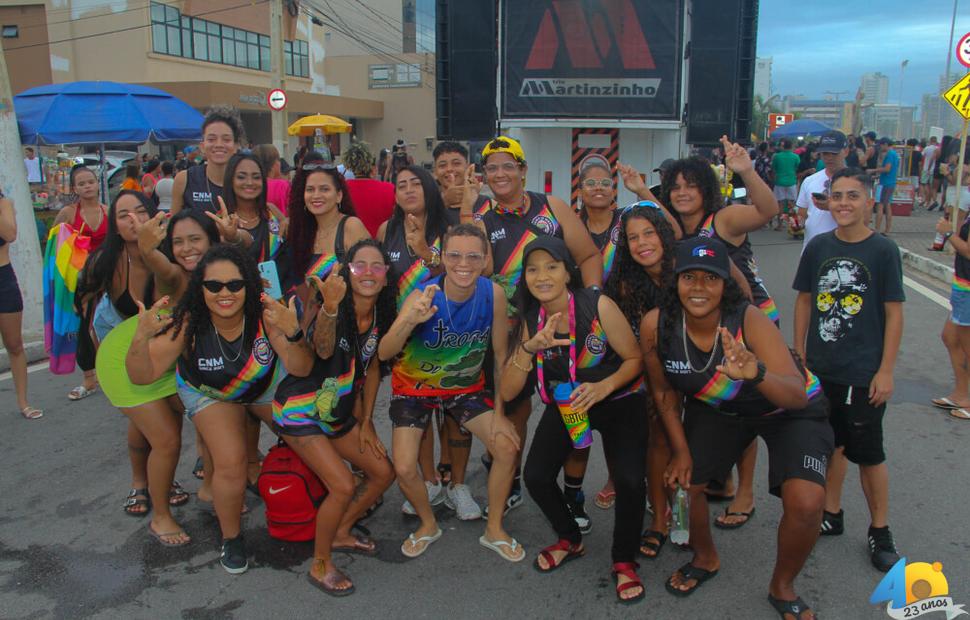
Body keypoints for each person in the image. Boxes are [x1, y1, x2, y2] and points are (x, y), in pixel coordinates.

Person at [643, 236, 832, 619]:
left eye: (710, 279)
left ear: (724, 284)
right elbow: (664, 395)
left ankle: (782, 586)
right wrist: (679, 451)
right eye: (689, 277)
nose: (698, 288)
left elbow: (795, 394)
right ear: (674, 280)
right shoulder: (656, 325)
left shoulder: (746, 318)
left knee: (807, 503)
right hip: (723, 411)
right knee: (683, 483)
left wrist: (756, 372)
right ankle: (706, 557)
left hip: (788, 410)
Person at [126, 244, 313, 573]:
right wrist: (140, 339)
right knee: (230, 461)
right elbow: (142, 376)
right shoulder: (188, 322)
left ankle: (330, 505)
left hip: (260, 382)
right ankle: (232, 538)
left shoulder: (267, 312)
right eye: (213, 286)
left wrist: (294, 331)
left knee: (310, 436)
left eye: (235, 285)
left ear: (249, 285)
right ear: (201, 288)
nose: (224, 293)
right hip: (210, 392)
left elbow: (300, 369)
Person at [462, 136, 603, 515]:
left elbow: (588, 254)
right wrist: (467, 208)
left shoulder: (551, 207)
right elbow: (481, 269)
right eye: (492, 168)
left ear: (523, 170)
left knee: (573, 409)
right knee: (513, 409)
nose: (500, 173)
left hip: (564, 326)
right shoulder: (481, 217)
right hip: (512, 332)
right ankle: (512, 478)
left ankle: (573, 493)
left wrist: (589, 305)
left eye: (509, 165)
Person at [502, 236, 646, 602]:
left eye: (552, 267)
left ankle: (624, 560)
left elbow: (634, 359)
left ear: (568, 272)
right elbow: (507, 392)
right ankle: (570, 537)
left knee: (630, 480)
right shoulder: (528, 318)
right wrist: (527, 348)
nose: (542, 276)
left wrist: (604, 388)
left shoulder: (597, 304)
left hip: (618, 397)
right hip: (567, 402)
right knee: (535, 475)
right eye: (533, 269)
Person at [379, 225, 524, 561]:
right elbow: (385, 352)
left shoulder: (493, 295)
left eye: (473, 256)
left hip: (464, 387)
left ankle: (495, 529)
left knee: (506, 446)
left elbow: (500, 358)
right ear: (442, 258)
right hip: (414, 387)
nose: (464, 263)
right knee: (403, 467)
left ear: (486, 259)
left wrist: (501, 415)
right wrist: (408, 321)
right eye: (455, 255)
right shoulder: (422, 295)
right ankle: (428, 524)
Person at [660, 137, 780, 530]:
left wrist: (746, 169)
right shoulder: (678, 228)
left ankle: (745, 494)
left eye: (690, 186)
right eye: (674, 187)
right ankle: (723, 480)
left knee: (746, 409)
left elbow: (768, 209)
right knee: (712, 404)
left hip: (750, 323)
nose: (681, 193)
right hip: (710, 326)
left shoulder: (723, 220)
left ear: (705, 190)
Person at [793, 167, 904, 573]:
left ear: (868, 201)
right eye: (836, 195)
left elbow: (894, 314)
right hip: (823, 370)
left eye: (852, 196)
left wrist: (886, 370)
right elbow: (805, 300)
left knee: (868, 452)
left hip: (863, 371)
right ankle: (832, 512)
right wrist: (800, 353)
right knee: (833, 444)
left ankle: (881, 529)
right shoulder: (819, 247)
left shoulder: (883, 251)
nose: (843, 203)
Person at [273, 239, 397, 595]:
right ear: (346, 273)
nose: (369, 272)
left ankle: (340, 531)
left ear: (387, 277)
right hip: (300, 410)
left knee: (382, 472)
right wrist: (328, 307)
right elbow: (323, 348)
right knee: (342, 484)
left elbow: (372, 368)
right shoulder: (331, 310)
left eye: (377, 266)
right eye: (360, 265)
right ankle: (320, 564)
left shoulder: (379, 317)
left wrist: (369, 421)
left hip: (336, 413)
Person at [564, 156, 681, 531]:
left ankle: (661, 487)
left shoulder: (629, 220)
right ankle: (619, 478)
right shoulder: (572, 224)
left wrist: (643, 190)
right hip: (594, 329)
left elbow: (672, 232)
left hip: (642, 319)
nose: (598, 188)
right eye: (590, 182)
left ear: (614, 189)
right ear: (579, 190)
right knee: (613, 408)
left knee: (654, 412)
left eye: (604, 182)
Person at [96, 208, 220, 547]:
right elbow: (161, 265)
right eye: (177, 242)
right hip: (127, 358)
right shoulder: (176, 277)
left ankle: (209, 487)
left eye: (196, 239)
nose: (186, 249)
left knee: (208, 414)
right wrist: (149, 249)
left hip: (168, 363)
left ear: (212, 240)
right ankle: (160, 516)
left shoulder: (222, 271)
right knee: (166, 440)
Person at [377, 165, 470, 517]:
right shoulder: (387, 230)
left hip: (452, 335)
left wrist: (423, 250)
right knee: (419, 411)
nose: (409, 190)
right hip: (407, 338)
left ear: (429, 187)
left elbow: (465, 274)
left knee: (456, 413)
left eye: (416, 183)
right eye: (401, 185)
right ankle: (429, 480)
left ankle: (458, 484)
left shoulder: (448, 228)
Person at [603, 205, 678, 559]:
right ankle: (661, 520)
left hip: (700, 371)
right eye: (633, 237)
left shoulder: (690, 271)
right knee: (659, 439)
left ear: (664, 233)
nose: (642, 243)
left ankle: (684, 512)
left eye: (649, 233)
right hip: (652, 376)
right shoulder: (623, 282)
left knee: (695, 446)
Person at [53, 165, 109, 401]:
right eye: (82, 183)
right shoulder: (68, 213)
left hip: (107, 276)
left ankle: (112, 371)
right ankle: (89, 378)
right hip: (80, 279)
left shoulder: (109, 210)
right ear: (75, 188)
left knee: (109, 324)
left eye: (90, 182)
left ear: (98, 184)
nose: (87, 187)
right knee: (83, 326)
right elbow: (55, 242)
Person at [286, 156, 370, 299]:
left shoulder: (351, 227)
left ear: (338, 196)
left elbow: (370, 279)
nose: (316, 195)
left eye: (324, 189)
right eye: (310, 189)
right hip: (320, 319)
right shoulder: (304, 233)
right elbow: (310, 299)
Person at [0, 192, 41, 419]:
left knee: (14, 344)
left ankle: (23, 402)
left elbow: (10, 233)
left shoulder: (4, 203)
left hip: (3, 277)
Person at [933, 202, 970, 418]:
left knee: (967, 346)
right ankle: (961, 393)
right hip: (961, 283)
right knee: (950, 337)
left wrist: (947, 233)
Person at [171, 106, 243, 214]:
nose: (219, 145)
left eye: (226, 139)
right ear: (202, 146)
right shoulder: (184, 179)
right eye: (211, 139)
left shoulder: (246, 182)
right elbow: (173, 225)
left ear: (236, 146)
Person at [795, 131, 849, 249]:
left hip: (844, 251)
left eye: (834, 153)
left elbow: (864, 218)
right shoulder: (809, 181)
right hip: (812, 250)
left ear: (845, 152)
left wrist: (831, 206)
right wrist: (796, 223)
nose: (829, 158)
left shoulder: (857, 182)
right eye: (825, 153)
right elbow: (802, 214)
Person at [343, 140, 395, 238]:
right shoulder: (390, 189)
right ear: (374, 168)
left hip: (350, 245)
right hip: (383, 245)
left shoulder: (342, 190)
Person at [869, 139, 899, 234]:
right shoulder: (895, 154)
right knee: (888, 206)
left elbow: (887, 169)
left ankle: (877, 228)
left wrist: (873, 170)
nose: (880, 148)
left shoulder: (890, 154)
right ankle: (887, 229)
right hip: (891, 182)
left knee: (880, 206)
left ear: (885, 144)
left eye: (881, 145)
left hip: (885, 183)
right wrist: (877, 175)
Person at [252, 144, 292, 217]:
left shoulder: (252, 185)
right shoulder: (284, 185)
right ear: (274, 164)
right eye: (278, 160)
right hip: (280, 226)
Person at [433, 141, 471, 212]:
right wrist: (444, 202)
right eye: (442, 165)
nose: (449, 169)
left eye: (456, 163)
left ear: (468, 168)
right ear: (435, 172)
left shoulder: (486, 203)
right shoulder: (424, 206)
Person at [771, 139, 800, 231]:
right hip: (791, 182)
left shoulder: (777, 156)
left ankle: (780, 225)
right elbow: (797, 167)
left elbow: (773, 169)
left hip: (779, 182)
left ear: (783, 146)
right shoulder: (796, 157)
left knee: (780, 204)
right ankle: (794, 225)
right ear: (791, 146)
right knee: (792, 204)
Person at [921, 136, 940, 211]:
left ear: (930, 141)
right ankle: (930, 201)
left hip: (926, 168)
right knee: (932, 187)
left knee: (925, 184)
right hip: (934, 169)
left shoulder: (927, 148)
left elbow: (923, 155)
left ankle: (927, 200)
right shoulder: (937, 149)